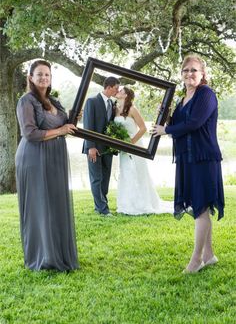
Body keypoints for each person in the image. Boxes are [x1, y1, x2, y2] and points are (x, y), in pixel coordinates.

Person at [151, 54, 224, 273]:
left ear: (202, 74)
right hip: (187, 158)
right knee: (199, 206)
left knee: (201, 207)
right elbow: (177, 124)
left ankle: (196, 260)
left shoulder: (206, 94)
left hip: (203, 158)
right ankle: (209, 255)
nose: (189, 74)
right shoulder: (182, 99)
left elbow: (195, 123)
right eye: (185, 70)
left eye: (193, 70)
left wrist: (167, 130)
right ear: (181, 74)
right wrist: (164, 117)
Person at [15, 59, 79, 271]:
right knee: (40, 205)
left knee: (54, 203)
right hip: (34, 157)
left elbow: (65, 124)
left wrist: (73, 118)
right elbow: (30, 133)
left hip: (54, 157)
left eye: (47, 74)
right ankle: (42, 257)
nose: (44, 78)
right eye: (39, 74)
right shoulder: (26, 101)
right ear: (31, 78)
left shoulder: (54, 101)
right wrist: (60, 131)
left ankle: (58, 253)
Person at [114, 86, 173, 215]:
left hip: (134, 146)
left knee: (136, 172)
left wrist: (131, 142)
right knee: (126, 172)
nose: (117, 92)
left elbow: (143, 128)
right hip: (123, 148)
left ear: (126, 95)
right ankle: (126, 203)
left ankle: (142, 203)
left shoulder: (132, 109)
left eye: (120, 91)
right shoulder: (115, 109)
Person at [82, 76, 120, 216]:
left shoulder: (112, 104)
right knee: (96, 178)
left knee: (105, 178)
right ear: (109, 87)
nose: (117, 91)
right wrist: (90, 146)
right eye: (116, 89)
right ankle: (103, 209)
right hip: (94, 148)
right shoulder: (92, 101)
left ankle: (101, 204)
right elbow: (87, 125)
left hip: (107, 149)